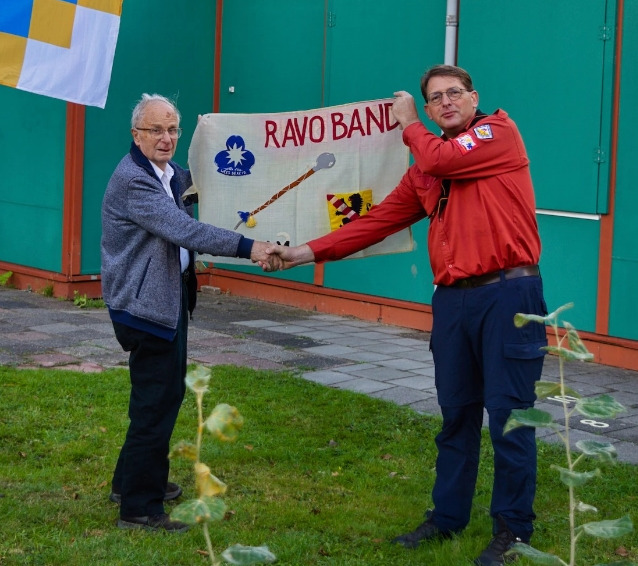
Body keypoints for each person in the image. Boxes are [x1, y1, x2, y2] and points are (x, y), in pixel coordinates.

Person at [266, 65, 545, 566]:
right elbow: (376, 222)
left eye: (452, 94)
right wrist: (303, 253)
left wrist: (408, 122)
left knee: (509, 417)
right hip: (454, 300)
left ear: (473, 96)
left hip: (509, 295)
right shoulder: (426, 171)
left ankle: (512, 530)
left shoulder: (496, 132)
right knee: (457, 414)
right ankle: (447, 517)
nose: (445, 103)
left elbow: (438, 152)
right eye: (434, 98)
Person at [101, 93, 277, 533]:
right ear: (135, 134)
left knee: (157, 399)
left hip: (164, 302)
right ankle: (140, 508)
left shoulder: (168, 174)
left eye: (173, 129)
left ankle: (130, 483)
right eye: (156, 130)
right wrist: (249, 247)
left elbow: (211, 178)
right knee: (155, 405)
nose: (166, 138)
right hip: (144, 308)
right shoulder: (133, 181)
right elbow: (184, 228)